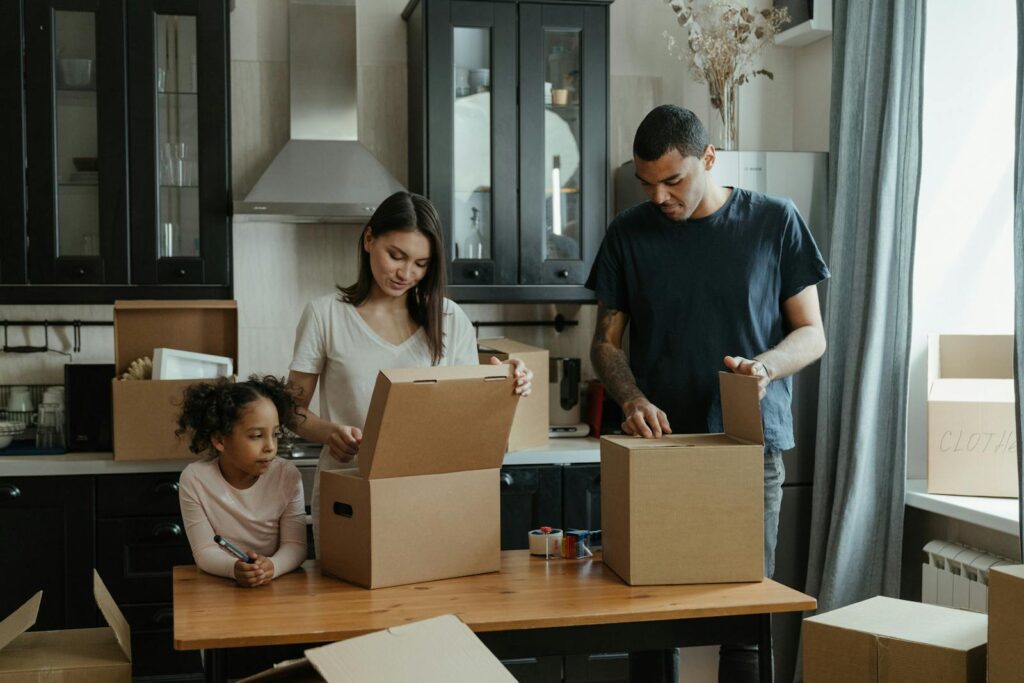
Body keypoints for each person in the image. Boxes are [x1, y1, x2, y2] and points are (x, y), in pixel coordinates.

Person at [587, 105, 829, 681]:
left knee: (744, 620)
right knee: (647, 618)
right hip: (660, 450)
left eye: (674, 180)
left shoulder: (776, 220)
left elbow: (812, 333)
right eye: (649, 184)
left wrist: (766, 368)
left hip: (750, 447)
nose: (661, 197)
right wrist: (632, 399)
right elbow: (606, 344)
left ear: (710, 158)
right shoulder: (628, 232)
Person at [287, 191, 533, 551]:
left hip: (428, 494)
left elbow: (467, 417)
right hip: (349, 490)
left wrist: (503, 382)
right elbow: (289, 409)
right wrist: (329, 432)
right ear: (369, 240)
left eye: (421, 264)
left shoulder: (449, 318)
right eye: (396, 256)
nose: (406, 273)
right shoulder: (325, 315)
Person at [176, 375, 307, 588]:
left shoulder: (287, 476)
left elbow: (296, 546)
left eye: (275, 434)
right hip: (220, 588)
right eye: (256, 435)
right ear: (219, 440)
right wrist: (234, 568)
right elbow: (204, 551)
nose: (270, 447)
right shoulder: (195, 480)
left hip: (277, 585)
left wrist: (272, 567)